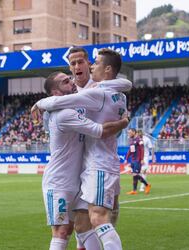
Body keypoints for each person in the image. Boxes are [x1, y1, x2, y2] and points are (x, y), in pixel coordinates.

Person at [32, 48, 132, 250]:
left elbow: (123, 86)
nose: (77, 67)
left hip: (97, 165)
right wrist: (123, 122)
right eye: (73, 64)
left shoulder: (96, 91)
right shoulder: (74, 101)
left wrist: (39, 103)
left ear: (88, 64)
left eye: (82, 62)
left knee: (98, 221)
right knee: (79, 226)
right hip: (74, 172)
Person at [124, 129, 151, 195]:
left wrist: (141, 159)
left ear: (134, 132)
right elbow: (130, 150)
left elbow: (142, 149)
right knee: (134, 176)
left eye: (130, 133)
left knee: (135, 174)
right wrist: (126, 158)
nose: (129, 134)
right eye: (128, 133)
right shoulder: (131, 140)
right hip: (133, 160)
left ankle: (147, 185)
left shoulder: (139, 140)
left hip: (138, 160)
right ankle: (134, 190)